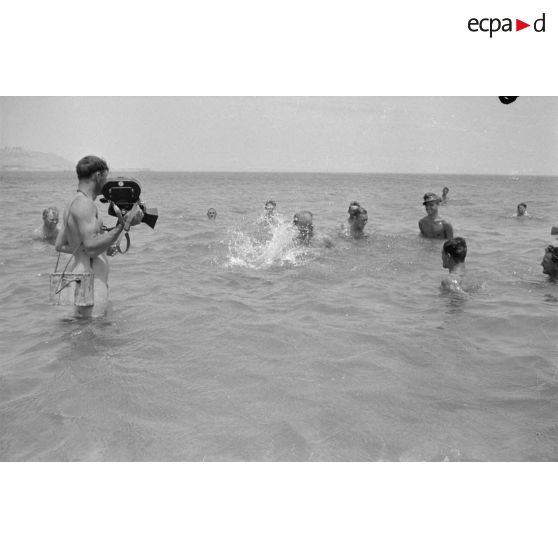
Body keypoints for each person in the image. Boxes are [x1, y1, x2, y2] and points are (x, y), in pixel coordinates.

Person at [55, 155, 143, 317]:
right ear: (98, 175)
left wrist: (100, 248)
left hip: (76, 274)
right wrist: (122, 225)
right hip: (90, 279)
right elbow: (90, 247)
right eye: (106, 177)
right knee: (94, 332)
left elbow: (60, 245)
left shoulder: (72, 203)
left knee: (81, 333)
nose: (107, 182)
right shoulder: (85, 204)